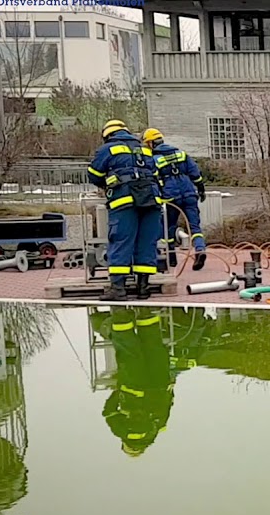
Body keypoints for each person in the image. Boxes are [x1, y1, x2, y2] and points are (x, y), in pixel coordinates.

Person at [87, 119, 163, 301]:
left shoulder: (108, 149)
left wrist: (107, 183)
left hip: (124, 200)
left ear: (108, 135)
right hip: (152, 201)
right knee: (146, 241)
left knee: (121, 240)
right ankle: (143, 287)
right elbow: (156, 172)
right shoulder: (144, 148)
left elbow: (94, 174)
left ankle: (118, 289)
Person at [99, 306, 175, 458]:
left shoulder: (157, 429)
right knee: (128, 351)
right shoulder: (123, 432)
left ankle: (145, 314)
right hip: (134, 385)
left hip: (159, 383)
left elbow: (169, 403)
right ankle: (121, 316)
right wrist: (118, 391)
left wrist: (169, 385)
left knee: (153, 347)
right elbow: (108, 412)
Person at [144, 127, 208, 272]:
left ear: (150, 144)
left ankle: (170, 257)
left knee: (168, 227)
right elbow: (195, 173)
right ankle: (200, 249)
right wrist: (200, 188)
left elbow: (154, 180)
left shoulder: (154, 160)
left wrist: (158, 196)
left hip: (170, 197)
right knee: (194, 226)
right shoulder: (181, 154)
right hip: (189, 193)